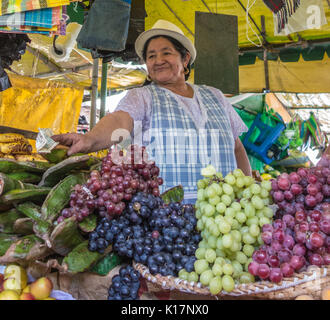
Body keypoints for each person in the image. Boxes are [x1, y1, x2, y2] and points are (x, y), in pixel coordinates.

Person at [52, 20, 251, 203]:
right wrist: (89, 140)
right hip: (167, 222)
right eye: (151, 56)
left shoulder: (215, 96)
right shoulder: (141, 97)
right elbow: (119, 121)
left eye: (166, 53)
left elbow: (237, 148)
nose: (158, 60)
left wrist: (247, 190)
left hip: (224, 220)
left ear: (185, 59)